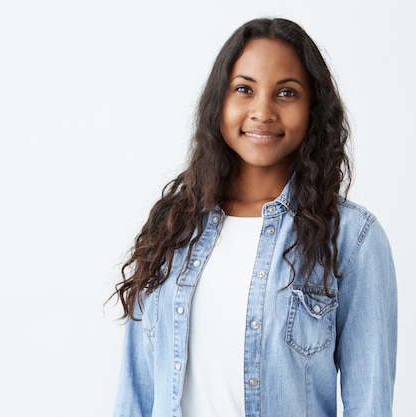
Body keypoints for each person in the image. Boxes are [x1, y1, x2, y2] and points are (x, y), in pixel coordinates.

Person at [111, 17, 397, 417]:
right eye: (244, 89)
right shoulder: (172, 229)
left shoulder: (351, 239)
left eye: (286, 93)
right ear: (219, 102)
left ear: (314, 108)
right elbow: (136, 394)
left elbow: (369, 403)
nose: (263, 111)